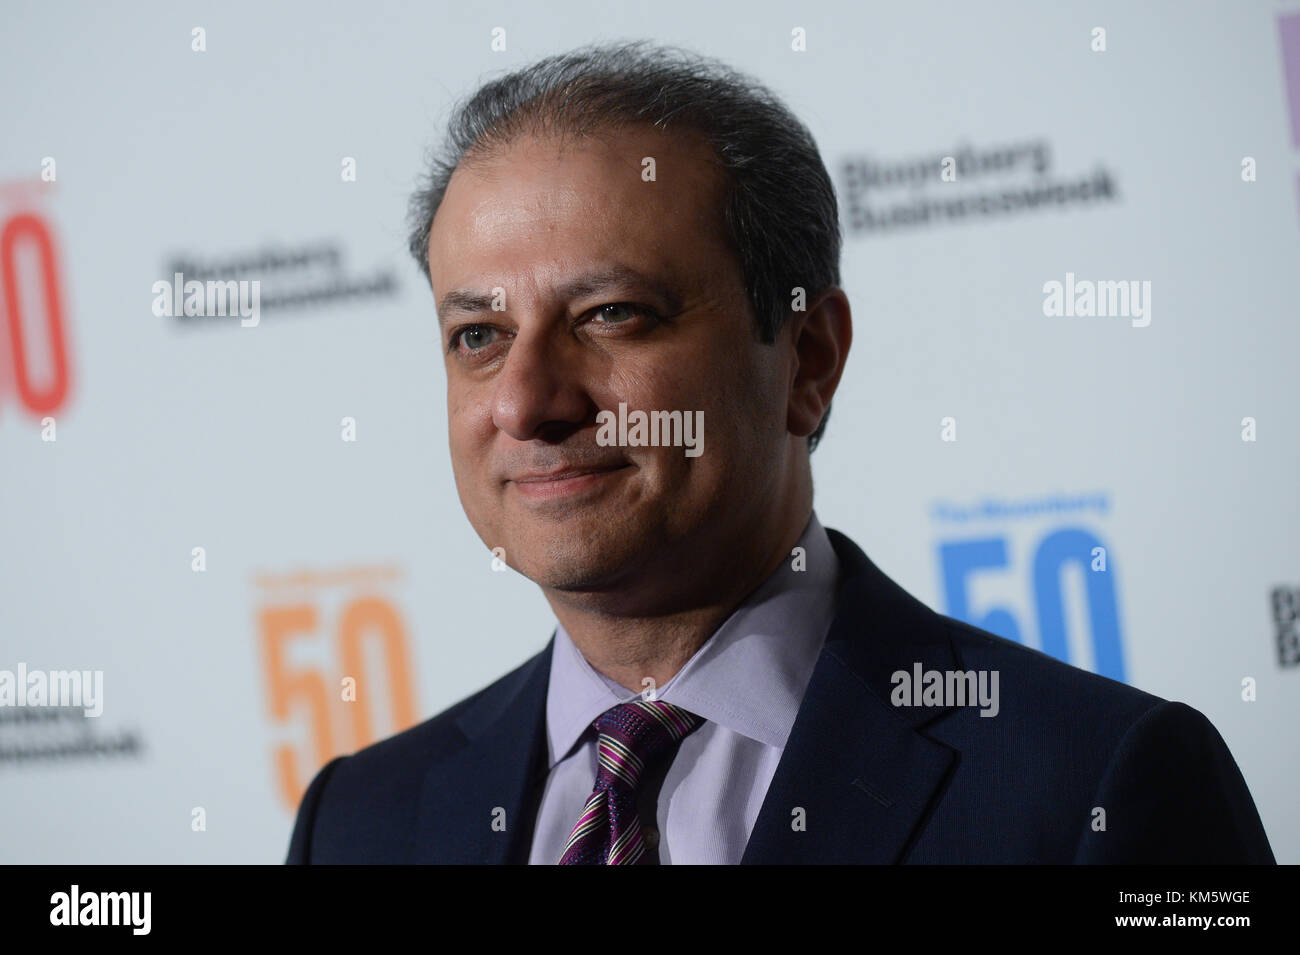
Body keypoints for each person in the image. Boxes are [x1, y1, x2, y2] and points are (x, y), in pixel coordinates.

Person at [286, 41, 1274, 864]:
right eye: (478, 336)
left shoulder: (1095, 788)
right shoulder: (362, 823)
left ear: (807, 356)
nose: (526, 401)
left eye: (612, 315)